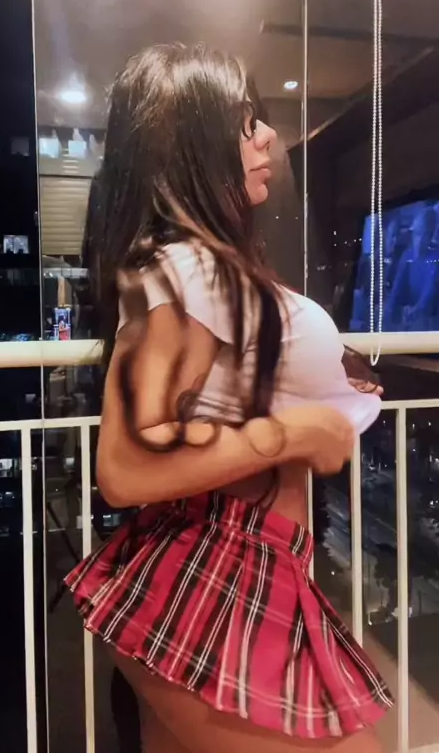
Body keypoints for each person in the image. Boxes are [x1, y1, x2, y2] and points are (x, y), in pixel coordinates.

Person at [65, 43, 393, 753]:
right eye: (246, 123)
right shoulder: (186, 270)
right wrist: (295, 433)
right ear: (188, 143)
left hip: (232, 563)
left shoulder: (197, 267)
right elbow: (125, 465)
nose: (268, 136)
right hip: (216, 565)